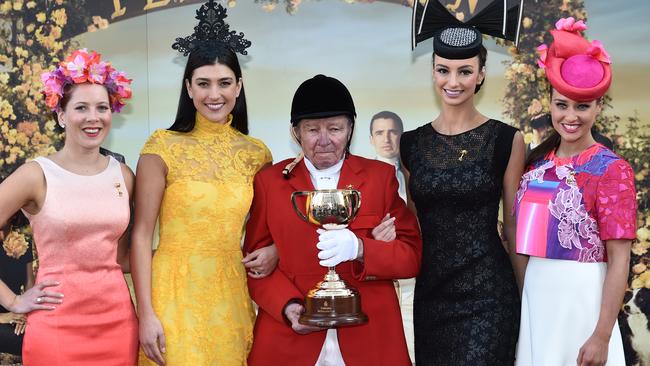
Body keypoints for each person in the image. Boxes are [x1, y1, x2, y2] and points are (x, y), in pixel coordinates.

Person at [130, 1, 277, 365]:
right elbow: (140, 234)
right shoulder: (160, 146)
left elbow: (268, 230)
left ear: (239, 87)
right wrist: (145, 314)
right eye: (204, 84)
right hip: (172, 295)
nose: (215, 94)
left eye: (224, 83)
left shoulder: (257, 154)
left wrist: (274, 251)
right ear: (188, 87)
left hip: (231, 294)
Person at [243, 74, 422, 366]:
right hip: (291, 340)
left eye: (335, 128)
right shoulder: (269, 182)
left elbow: (410, 257)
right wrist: (287, 306)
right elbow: (254, 265)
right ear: (295, 132)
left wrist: (361, 248)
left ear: (351, 128)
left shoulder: (379, 178)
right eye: (312, 129)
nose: (324, 140)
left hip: (370, 336)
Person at [403, 2, 526, 364]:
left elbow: (515, 226)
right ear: (432, 71)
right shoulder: (409, 144)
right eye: (443, 70)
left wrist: (526, 299)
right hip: (431, 298)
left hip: (489, 297)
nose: (452, 82)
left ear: (482, 74)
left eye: (465, 71)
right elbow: (415, 227)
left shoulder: (506, 140)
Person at [0, 48, 138, 364]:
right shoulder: (36, 174)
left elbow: (122, 258)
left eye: (102, 107)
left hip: (118, 324)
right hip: (56, 327)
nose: (93, 117)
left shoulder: (123, 176)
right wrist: (13, 300)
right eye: (81, 108)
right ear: (62, 116)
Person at [514, 17, 637, 366]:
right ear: (550, 104)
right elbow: (525, 250)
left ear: (598, 106)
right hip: (537, 302)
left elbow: (620, 260)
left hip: (584, 304)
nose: (570, 116)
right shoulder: (535, 166)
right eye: (561, 104)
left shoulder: (612, 170)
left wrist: (601, 334)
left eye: (582, 106)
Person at [368, 110, 415, 360]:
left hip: (416, 284)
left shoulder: (417, 178)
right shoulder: (361, 182)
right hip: (379, 283)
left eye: (393, 131)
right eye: (379, 132)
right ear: (371, 139)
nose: (387, 138)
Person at [0, 215, 33, 357]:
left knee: (34, 334)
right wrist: (3, 317)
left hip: (16, 311)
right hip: (4, 317)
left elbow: (29, 283)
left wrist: (25, 313)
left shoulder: (24, 241)